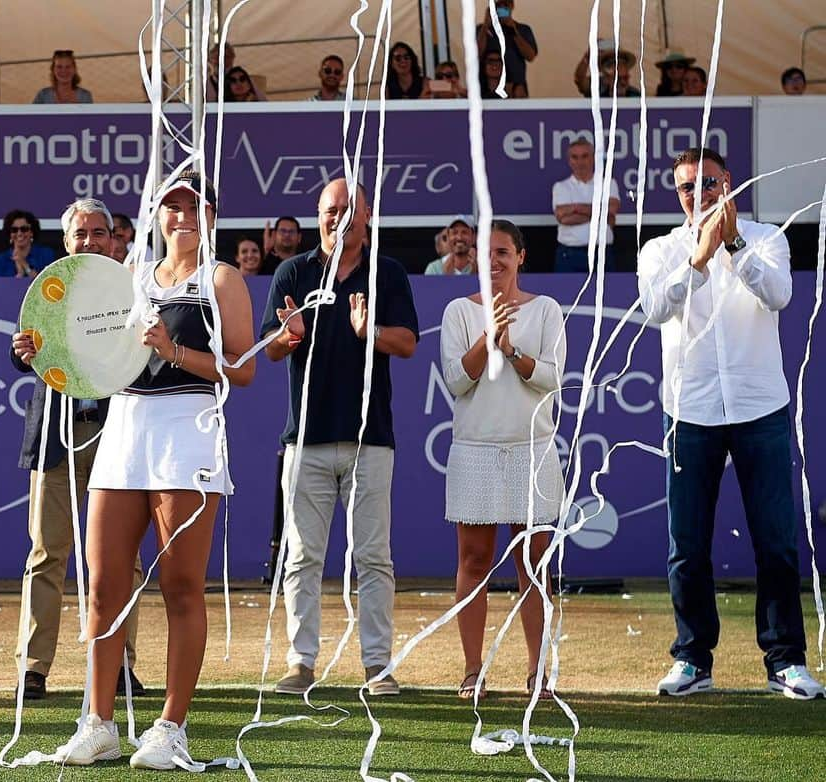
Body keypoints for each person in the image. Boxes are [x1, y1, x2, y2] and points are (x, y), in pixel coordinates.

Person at [54, 171, 256, 768]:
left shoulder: (222, 278)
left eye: (194, 207)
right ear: (155, 215)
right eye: (171, 206)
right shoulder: (131, 279)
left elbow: (241, 369)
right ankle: (99, 722)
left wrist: (174, 352)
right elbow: (94, 353)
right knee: (104, 585)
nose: (182, 217)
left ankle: (170, 727)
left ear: (212, 215)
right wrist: (44, 350)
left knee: (180, 586)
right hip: (125, 429)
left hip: (188, 433)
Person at [637, 147, 824, 700]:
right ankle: (693, 659)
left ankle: (786, 661)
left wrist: (733, 245)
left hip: (758, 406)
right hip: (688, 409)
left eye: (708, 183)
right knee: (687, 544)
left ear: (730, 184)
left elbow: (781, 294)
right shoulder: (661, 249)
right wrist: (698, 259)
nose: (699, 196)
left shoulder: (767, 237)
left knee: (776, 542)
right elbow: (653, 309)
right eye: (687, 188)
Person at [262, 179, 419, 697]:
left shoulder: (387, 273)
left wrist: (367, 332)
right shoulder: (292, 271)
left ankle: (377, 666)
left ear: (367, 217)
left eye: (350, 210)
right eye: (332, 210)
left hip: (370, 440)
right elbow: (270, 349)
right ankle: (300, 663)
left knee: (373, 557)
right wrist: (286, 337)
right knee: (302, 557)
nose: (340, 218)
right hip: (305, 440)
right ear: (318, 214)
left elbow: (409, 343)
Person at [10, 198, 145, 701]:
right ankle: (33, 668)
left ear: (114, 239)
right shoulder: (48, 289)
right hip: (56, 438)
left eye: (97, 232)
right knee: (46, 555)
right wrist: (21, 350)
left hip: (118, 436)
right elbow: (22, 346)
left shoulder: (131, 291)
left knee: (123, 560)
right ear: (66, 242)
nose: (89, 241)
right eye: (79, 234)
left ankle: (120, 665)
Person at [439, 219, 565, 700]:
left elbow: (553, 378)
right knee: (473, 562)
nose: (492, 262)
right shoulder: (457, 312)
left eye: (503, 252)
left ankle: (537, 674)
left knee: (534, 567)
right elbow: (456, 380)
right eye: (483, 252)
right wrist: (487, 338)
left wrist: (511, 350)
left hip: (533, 454)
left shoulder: (546, 310)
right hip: (475, 453)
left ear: (520, 257)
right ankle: (474, 672)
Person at [552, 137, 620, 272]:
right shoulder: (561, 187)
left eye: (584, 156)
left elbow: (611, 211)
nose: (580, 162)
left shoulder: (608, 183)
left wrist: (576, 208)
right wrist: (600, 214)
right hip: (569, 255)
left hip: (602, 254)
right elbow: (563, 218)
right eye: (575, 157)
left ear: (593, 158)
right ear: (569, 160)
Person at [476, 0, 537, 97]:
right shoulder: (481, 29)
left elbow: (530, 56)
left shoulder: (523, 29)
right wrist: (485, 25)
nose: (501, 8)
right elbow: (476, 54)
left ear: (512, 6)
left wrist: (513, 30)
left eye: (505, 5)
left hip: (515, 90)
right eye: (498, 5)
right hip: (487, 89)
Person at [0, 210, 54, 278]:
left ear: (32, 232)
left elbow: (46, 284)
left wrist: (25, 265)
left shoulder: (45, 254)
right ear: (10, 234)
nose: (19, 233)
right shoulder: (1, 260)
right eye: (14, 230)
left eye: (24, 229)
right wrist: (20, 273)